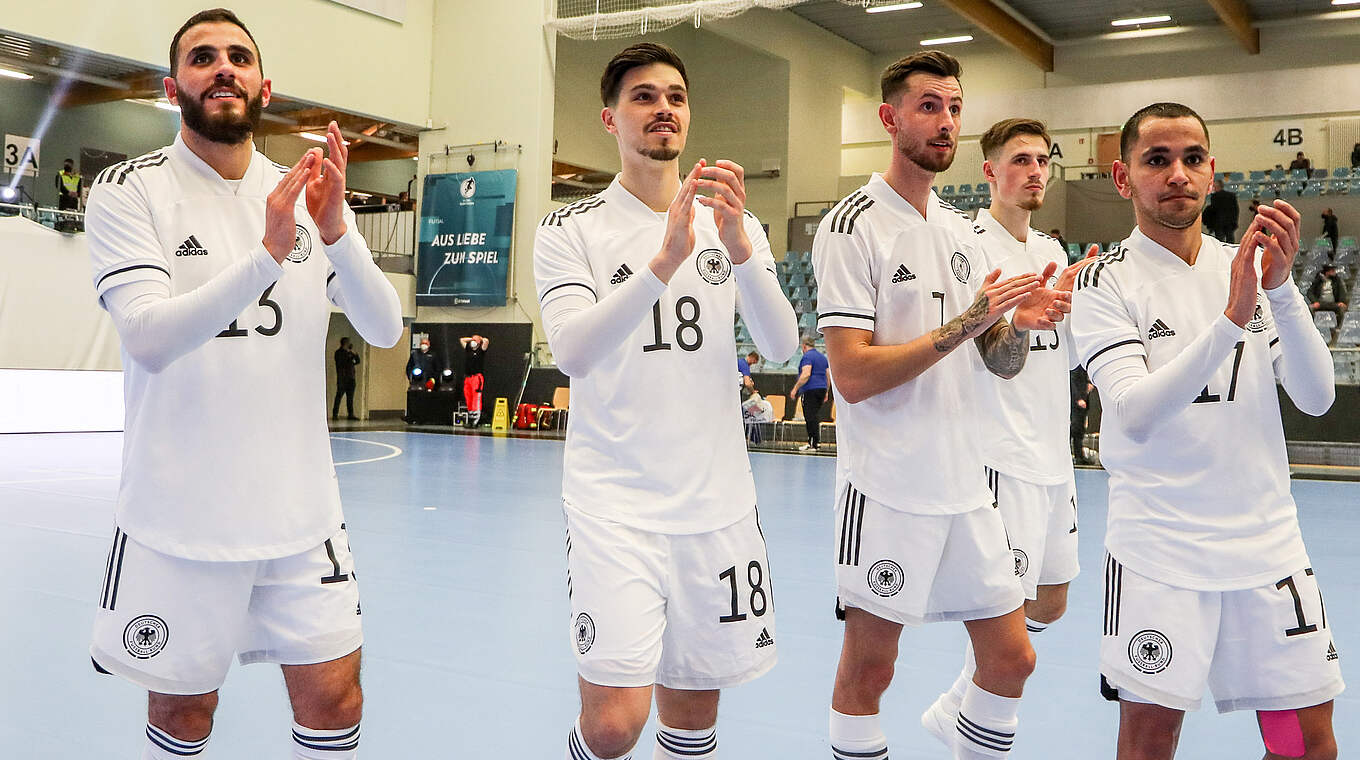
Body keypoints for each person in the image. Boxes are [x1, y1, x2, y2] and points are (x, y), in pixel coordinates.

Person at [82, 9, 402, 759]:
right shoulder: (130, 191)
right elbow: (149, 338)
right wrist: (266, 256)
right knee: (186, 710)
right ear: (173, 88)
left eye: (238, 56)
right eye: (201, 58)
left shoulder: (306, 189)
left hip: (302, 512)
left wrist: (337, 231)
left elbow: (384, 327)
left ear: (265, 85)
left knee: (334, 697)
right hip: (180, 513)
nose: (222, 67)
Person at [532, 42, 798, 760]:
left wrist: (740, 247)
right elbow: (574, 352)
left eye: (675, 97)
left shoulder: (731, 224)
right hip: (614, 505)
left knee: (690, 719)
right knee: (615, 725)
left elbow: (779, 342)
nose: (664, 109)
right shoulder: (571, 228)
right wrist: (662, 263)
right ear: (610, 119)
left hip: (715, 506)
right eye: (644, 97)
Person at [813, 51, 1071, 760]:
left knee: (1012, 659)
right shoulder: (851, 225)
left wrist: (1019, 325)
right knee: (871, 669)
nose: (946, 121)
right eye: (929, 106)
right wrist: (969, 321)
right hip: (888, 487)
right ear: (890, 118)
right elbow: (853, 375)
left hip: (965, 485)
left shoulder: (961, 233)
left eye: (954, 107)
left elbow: (997, 362)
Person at [1070, 102, 1341, 760]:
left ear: (1212, 172)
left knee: (1305, 743)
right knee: (1152, 739)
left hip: (1267, 548)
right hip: (1161, 553)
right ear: (1123, 176)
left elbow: (1316, 397)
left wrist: (1278, 292)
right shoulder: (1105, 280)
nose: (1177, 174)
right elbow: (1133, 412)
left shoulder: (1247, 268)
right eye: (1157, 160)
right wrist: (1228, 324)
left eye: (1192, 159)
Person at [921, 117, 1098, 753]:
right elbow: (993, 356)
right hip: (998, 457)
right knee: (1010, 641)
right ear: (991, 171)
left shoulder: (1051, 249)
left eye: (1043, 160)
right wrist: (1018, 319)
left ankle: (956, 705)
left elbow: (1069, 357)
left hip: (1053, 455)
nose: (1035, 170)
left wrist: (1077, 309)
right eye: (1020, 160)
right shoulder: (969, 246)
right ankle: (976, 733)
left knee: (1049, 605)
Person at [788, 336, 829, 451]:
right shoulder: (822, 357)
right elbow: (827, 376)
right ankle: (816, 442)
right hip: (821, 389)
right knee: (814, 415)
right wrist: (826, 391)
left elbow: (806, 374)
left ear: (804, 346)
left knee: (810, 416)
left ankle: (812, 443)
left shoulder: (807, 356)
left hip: (810, 389)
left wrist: (795, 388)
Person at [1309, 263, 1348, 345]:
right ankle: (1311, 328)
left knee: (1342, 308)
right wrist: (1315, 301)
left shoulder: (1337, 280)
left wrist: (1342, 301)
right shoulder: (1318, 280)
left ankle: (1339, 328)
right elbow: (1310, 292)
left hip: (1333, 304)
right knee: (1310, 308)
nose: (1334, 272)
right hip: (1320, 304)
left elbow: (1342, 292)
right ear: (1327, 272)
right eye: (1332, 271)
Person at [459, 334, 488, 426]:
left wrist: (479, 339)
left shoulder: (481, 350)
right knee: (468, 397)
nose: (473, 341)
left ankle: (476, 419)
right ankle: (470, 417)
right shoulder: (468, 349)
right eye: (472, 340)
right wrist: (471, 339)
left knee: (476, 397)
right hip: (468, 377)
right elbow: (462, 340)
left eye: (475, 340)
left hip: (477, 377)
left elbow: (486, 341)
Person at [1069, 365, 1093, 465]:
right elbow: (1072, 383)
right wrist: (1078, 399)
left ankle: (1079, 456)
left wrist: (1087, 384)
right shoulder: (1075, 366)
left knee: (1079, 430)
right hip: (1077, 403)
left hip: (1082, 402)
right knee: (1075, 429)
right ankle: (1077, 456)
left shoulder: (1082, 367)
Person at [1201, 178, 1238, 243]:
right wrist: (1234, 221)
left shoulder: (1215, 196)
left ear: (1216, 187)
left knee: (1220, 242)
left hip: (1219, 223)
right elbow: (1235, 210)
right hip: (1230, 222)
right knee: (1230, 241)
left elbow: (1213, 210)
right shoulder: (1231, 196)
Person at [333, 336, 360, 420]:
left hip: (351, 378)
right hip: (343, 378)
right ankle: (335, 414)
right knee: (339, 396)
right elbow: (343, 363)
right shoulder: (339, 353)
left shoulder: (350, 353)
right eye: (348, 342)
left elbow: (357, 361)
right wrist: (350, 356)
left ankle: (350, 414)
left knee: (350, 397)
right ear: (345, 343)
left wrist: (354, 354)